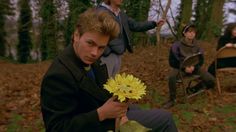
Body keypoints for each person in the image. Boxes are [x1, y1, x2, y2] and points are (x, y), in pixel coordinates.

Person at [40, 8, 178, 132]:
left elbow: (101, 91)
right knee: (165, 119)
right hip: (94, 125)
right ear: (76, 35)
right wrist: (101, 114)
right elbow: (56, 128)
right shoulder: (58, 75)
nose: (95, 53)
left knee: (136, 109)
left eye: (101, 47)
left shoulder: (89, 58)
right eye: (90, 43)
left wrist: (121, 105)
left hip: (107, 116)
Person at [97, 0, 165, 77]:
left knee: (112, 84)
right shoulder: (100, 12)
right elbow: (96, 34)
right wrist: (106, 50)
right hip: (106, 56)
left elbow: (136, 25)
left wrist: (154, 23)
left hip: (118, 55)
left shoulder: (121, 14)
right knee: (103, 83)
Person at [163, 24, 215, 109]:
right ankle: (172, 99)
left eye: (194, 32)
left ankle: (193, 89)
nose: (192, 34)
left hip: (194, 68)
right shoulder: (176, 45)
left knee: (211, 81)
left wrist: (194, 67)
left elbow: (201, 60)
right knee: (172, 77)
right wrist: (184, 68)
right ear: (184, 33)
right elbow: (172, 61)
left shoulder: (197, 45)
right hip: (180, 67)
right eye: (189, 32)